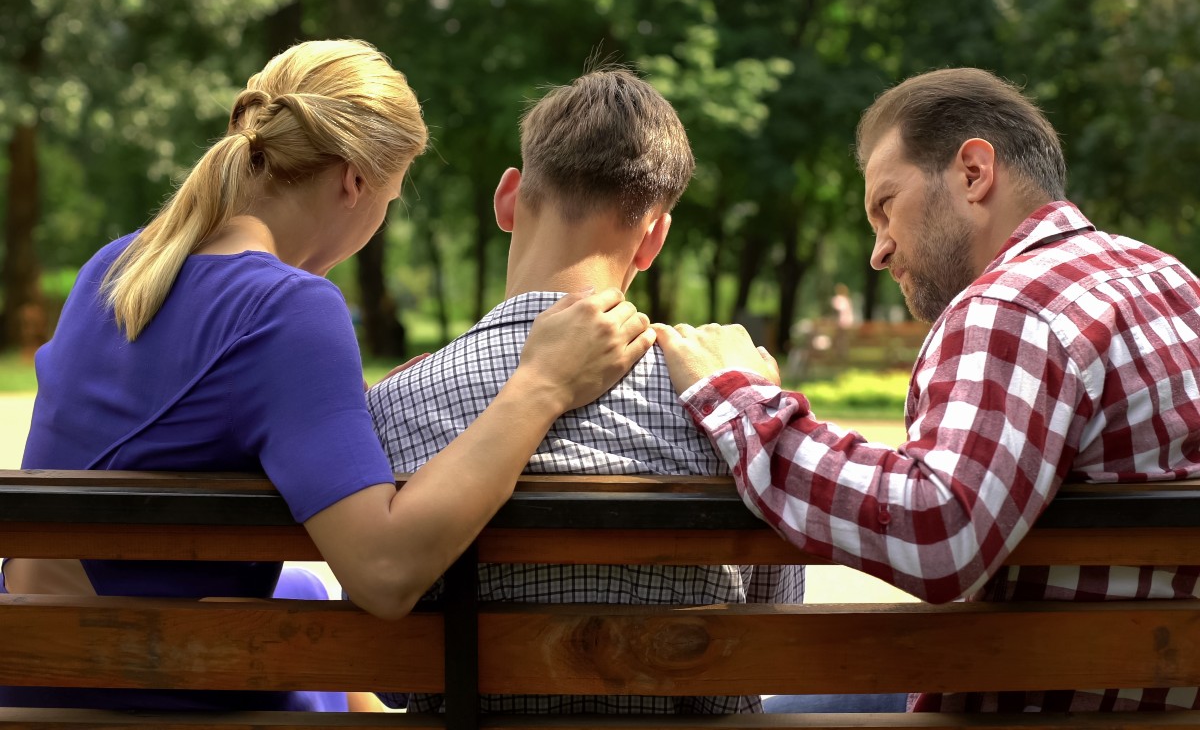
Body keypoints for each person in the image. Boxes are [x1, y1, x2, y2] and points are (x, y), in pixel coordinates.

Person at [6, 39, 655, 712]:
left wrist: (343, 403)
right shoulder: (288, 307)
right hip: (140, 691)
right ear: (353, 182)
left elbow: (188, 402)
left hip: (36, 661)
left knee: (305, 595)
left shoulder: (117, 267)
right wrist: (541, 384)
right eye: (390, 200)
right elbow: (384, 573)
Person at [653, 67, 1200, 713]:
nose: (878, 252)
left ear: (973, 172)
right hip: (1163, 694)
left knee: (766, 711)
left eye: (886, 205)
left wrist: (738, 396)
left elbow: (937, 527)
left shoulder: (1013, 304)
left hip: (1042, 705)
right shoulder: (1168, 278)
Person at [366, 67, 804, 715]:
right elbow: (772, 638)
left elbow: (394, 678)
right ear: (654, 237)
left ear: (508, 198)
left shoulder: (397, 403)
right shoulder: (730, 406)